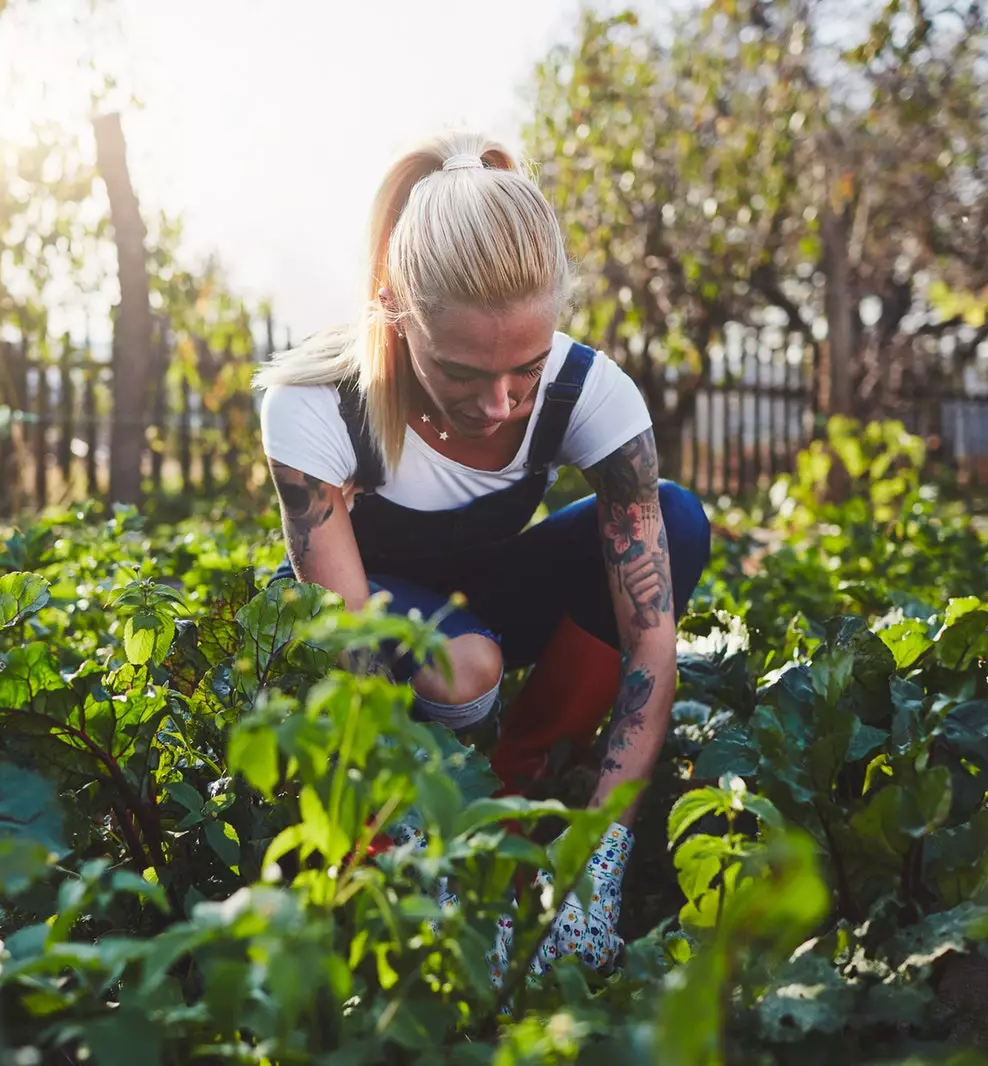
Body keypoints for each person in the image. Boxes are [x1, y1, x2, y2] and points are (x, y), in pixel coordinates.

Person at [252, 131, 712, 976]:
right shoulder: (315, 405)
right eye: (463, 372)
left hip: (487, 597)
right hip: (370, 616)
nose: (501, 405)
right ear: (395, 310)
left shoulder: (591, 395)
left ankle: (517, 781)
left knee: (676, 524)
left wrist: (596, 859)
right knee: (463, 667)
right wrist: (405, 845)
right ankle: (421, 819)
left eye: (526, 371)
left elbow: (651, 648)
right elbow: (350, 646)